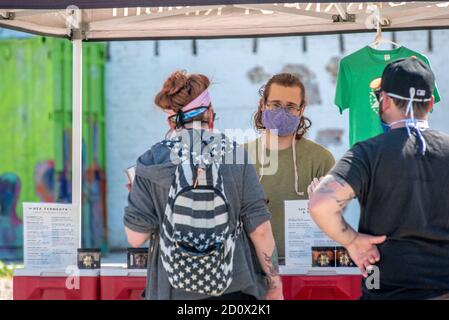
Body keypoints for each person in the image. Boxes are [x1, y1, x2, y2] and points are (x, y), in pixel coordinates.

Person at [123, 70, 283, 300]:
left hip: (172, 292)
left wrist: (139, 194)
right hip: (233, 288)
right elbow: (260, 229)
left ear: (171, 119)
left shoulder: (152, 161)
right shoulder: (235, 155)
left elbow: (135, 237)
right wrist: (274, 285)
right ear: (209, 113)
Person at [309, 57, 449, 300]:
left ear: (384, 101)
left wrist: (352, 241)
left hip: (384, 290)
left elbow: (321, 204)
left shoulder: (368, 152)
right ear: (429, 103)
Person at [246, 73, 335, 262]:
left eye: (291, 107)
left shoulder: (321, 159)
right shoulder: (240, 158)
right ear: (263, 105)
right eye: (275, 105)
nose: (282, 112)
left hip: (306, 266)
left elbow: (336, 222)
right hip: (253, 268)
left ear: (302, 109)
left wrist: (325, 205)